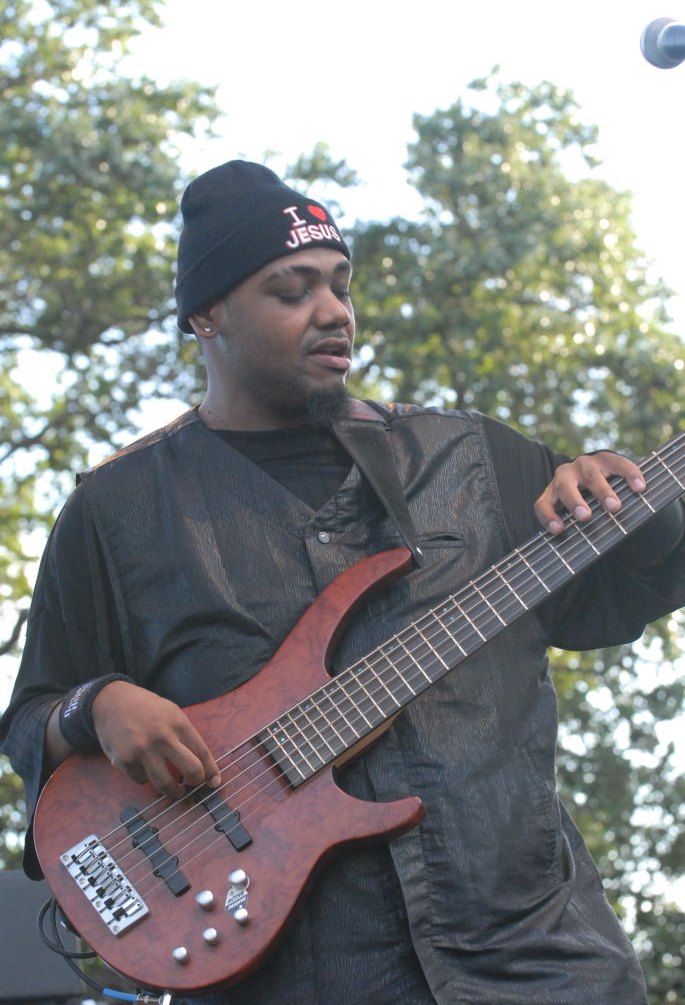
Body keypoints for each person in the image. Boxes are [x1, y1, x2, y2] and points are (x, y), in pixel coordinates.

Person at [1, 160, 684, 1005]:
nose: (334, 311)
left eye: (340, 284)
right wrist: (98, 706)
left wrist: (641, 502)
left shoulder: (471, 457)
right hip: (296, 977)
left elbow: (624, 591)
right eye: (291, 290)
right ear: (207, 316)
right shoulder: (116, 510)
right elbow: (32, 716)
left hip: (537, 961)